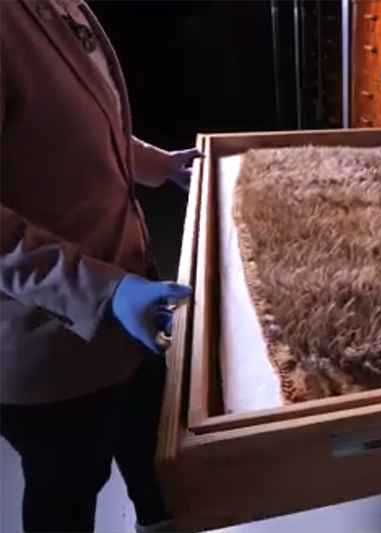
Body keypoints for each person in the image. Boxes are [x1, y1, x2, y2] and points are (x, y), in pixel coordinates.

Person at [0, 1, 198, 531]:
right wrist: (100, 293)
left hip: (130, 306)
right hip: (49, 346)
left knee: (152, 453)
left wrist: (158, 164)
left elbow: (74, 128)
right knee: (66, 489)